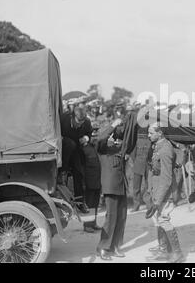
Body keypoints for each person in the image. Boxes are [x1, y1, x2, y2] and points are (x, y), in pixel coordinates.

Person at [145, 122, 185, 263]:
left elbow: (167, 178)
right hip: (157, 188)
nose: (148, 135)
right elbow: (154, 170)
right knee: (158, 220)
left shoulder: (166, 149)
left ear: (160, 133)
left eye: (151, 133)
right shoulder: (157, 146)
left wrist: (158, 200)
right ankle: (164, 251)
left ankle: (177, 253)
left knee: (163, 219)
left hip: (165, 191)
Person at [96, 118, 128, 261]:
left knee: (121, 218)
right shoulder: (102, 147)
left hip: (121, 186)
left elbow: (127, 138)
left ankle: (115, 246)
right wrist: (112, 124)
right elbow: (101, 137)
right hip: (110, 188)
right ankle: (103, 247)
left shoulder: (118, 146)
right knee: (111, 218)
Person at [60, 103, 93, 214]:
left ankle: (80, 202)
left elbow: (89, 133)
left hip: (76, 151)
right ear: (72, 117)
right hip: (63, 150)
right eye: (77, 123)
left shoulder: (87, 122)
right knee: (61, 174)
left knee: (79, 173)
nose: (79, 126)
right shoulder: (63, 119)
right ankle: (62, 203)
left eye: (81, 124)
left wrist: (86, 138)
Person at [130, 134, 152, 212]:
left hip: (148, 164)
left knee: (148, 185)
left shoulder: (150, 140)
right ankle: (136, 205)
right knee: (136, 186)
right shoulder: (136, 141)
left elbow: (151, 153)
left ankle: (149, 204)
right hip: (138, 164)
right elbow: (133, 154)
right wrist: (136, 162)